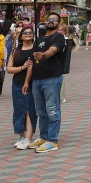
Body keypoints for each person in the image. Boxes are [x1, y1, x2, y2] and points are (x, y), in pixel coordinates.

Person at [29, 11, 66, 153]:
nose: (51, 21)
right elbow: (32, 61)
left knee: (52, 110)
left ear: (58, 23)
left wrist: (43, 55)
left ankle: (52, 140)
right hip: (37, 79)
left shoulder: (59, 37)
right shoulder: (38, 39)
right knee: (41, 111)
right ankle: (43, 137)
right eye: (48, 19)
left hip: (51, 78)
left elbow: (52, 51)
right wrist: (28, 81)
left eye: (54, 20)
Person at [6, 25, 37, 149]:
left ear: (33, 35)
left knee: (30, 110)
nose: (28, 34)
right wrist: (22, 68)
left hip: (31, 83)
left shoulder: (36, 50)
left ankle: (29, 138)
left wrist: (27, 81)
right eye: (25, 33)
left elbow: (32, 67)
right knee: (19, 110)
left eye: (30, 33)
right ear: (21, 36)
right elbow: (9, 69)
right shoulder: (16, 50)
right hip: (17, 83)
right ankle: (21, 135)